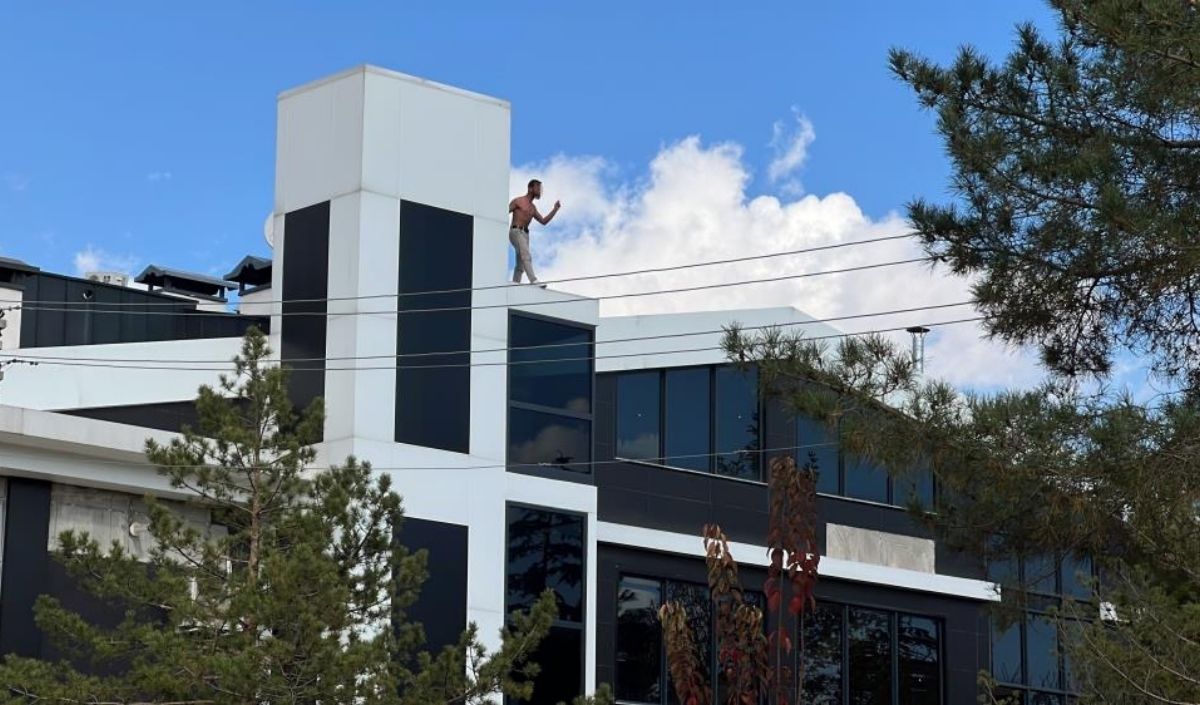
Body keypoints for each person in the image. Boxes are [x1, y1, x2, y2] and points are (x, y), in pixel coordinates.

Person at [508, 179, 561, 285]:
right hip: (516, 231)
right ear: (530, 188)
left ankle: (514, 285)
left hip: (525, 235)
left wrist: (555, 209)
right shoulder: (518, 201)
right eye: (537, 187)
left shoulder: (533, 208)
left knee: (520, 264)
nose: (539, 190)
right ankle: (534, 280)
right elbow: (502, 211)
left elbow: (543, 221)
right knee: (526, 255)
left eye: (540, 188)